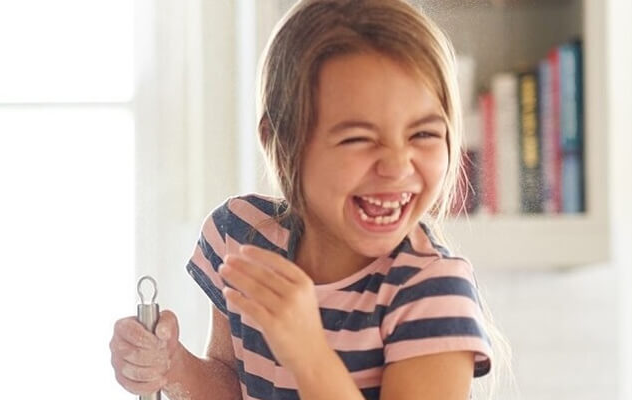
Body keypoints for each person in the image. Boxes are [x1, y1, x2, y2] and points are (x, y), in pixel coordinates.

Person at [109, 0, 498, 398]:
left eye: (424, 134)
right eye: (358, 139)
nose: (398, 166)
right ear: (280, 140)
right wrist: (171, 365)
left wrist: (307, 352)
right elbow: (231, 386)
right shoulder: (241, 237)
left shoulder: (430, 292)